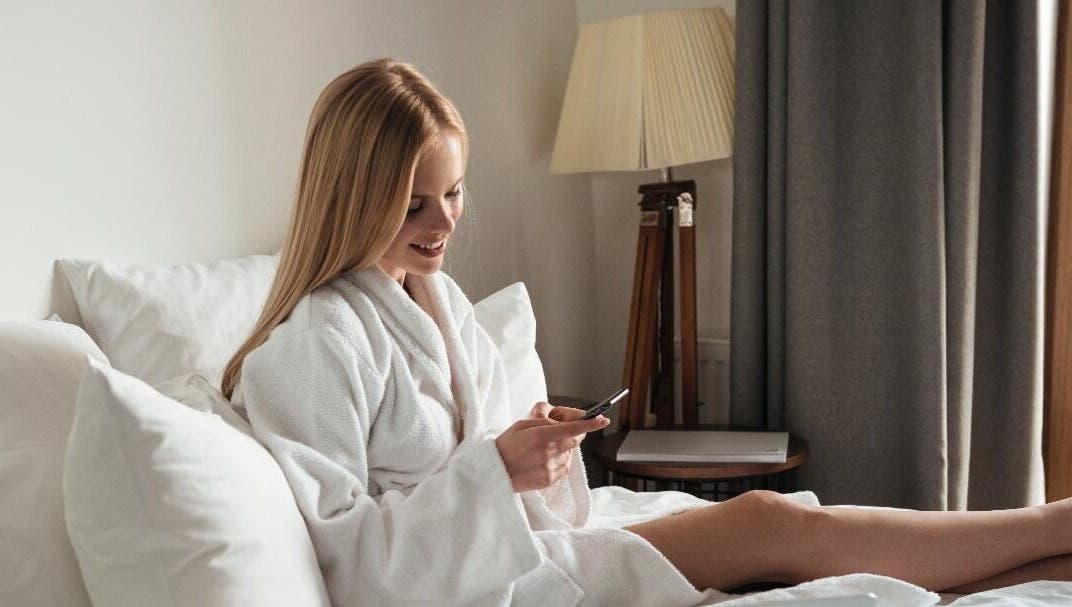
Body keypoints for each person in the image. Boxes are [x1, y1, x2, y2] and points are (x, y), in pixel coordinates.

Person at [221, 58, 1072, 606]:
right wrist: (496, 470)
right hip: (490, 585)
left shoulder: (431, 304)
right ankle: (1053, 527)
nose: (444, 221)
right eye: (415, 202)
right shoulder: (308, 349)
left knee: (782, 532)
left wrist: (537, 451)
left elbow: (514, 476)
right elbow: (348, 565)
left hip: (526, 551)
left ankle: (1053, 543)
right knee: (774, 526)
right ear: (351, 191)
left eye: (454, 193)